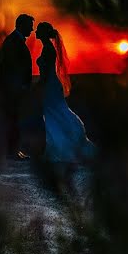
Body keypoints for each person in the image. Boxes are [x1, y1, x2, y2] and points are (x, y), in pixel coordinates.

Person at [34, 21, 96, 163]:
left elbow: (46, 73)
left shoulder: (48, 49)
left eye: (38, 30)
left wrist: (38, 86)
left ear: (43, 33)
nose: (35, 32)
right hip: (50, 86)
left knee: (56, 114)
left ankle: (62, 148)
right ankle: (56, 148)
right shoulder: (47, 48)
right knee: (54, 114)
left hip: (50, 86)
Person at [0, 13, 35, 159]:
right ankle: (12, 151)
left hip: (13, 88)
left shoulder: (15, 40)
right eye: (29, 26)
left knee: (13, 118)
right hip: (11, 89)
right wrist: (20, 86)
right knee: (12, 118)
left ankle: (12, 150)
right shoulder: (13, 41)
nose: (31, 30)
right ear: (21, 25)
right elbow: (11, 67)